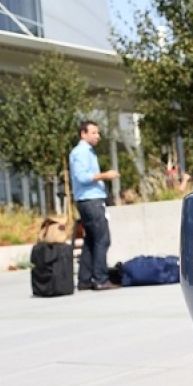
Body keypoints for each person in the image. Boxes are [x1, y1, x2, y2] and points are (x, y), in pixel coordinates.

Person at [69, 120, 121, 291]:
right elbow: (82, 177)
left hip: (90, 200)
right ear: (83, 134)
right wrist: (105, 175)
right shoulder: (81, 152)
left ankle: (85, 280)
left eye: (98, 133)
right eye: (93, 133)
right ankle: (100, 278)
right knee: (102, 239)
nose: (97, 136)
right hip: (91, 201)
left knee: (91, 240)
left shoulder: (88, 152)